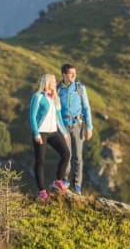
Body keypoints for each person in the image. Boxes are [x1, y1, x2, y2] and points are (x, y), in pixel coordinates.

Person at [29, 73, 71, 201]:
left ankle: (58, 181)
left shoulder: (55, 98)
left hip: (53, 132)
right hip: (41, 133)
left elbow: (58, 118)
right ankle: (42, 191)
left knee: (66, 153)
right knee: (40, 161)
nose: (55, 83)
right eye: (53, 81)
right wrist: (36, 133)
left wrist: (64, 132)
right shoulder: (38, 97)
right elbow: (32, 116)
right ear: (47, 82)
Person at [57, 63, 93, 194]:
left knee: (78, 156)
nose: (74, 76)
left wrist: (89, 127)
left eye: (75, 74)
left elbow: (86, 108)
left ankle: (77, 184)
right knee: (66, 154)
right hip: (63, 125)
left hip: (78, 125)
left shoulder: (80, 88)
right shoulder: (58, 89)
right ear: (64, 75)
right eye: (71, 74)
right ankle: (65, 180)